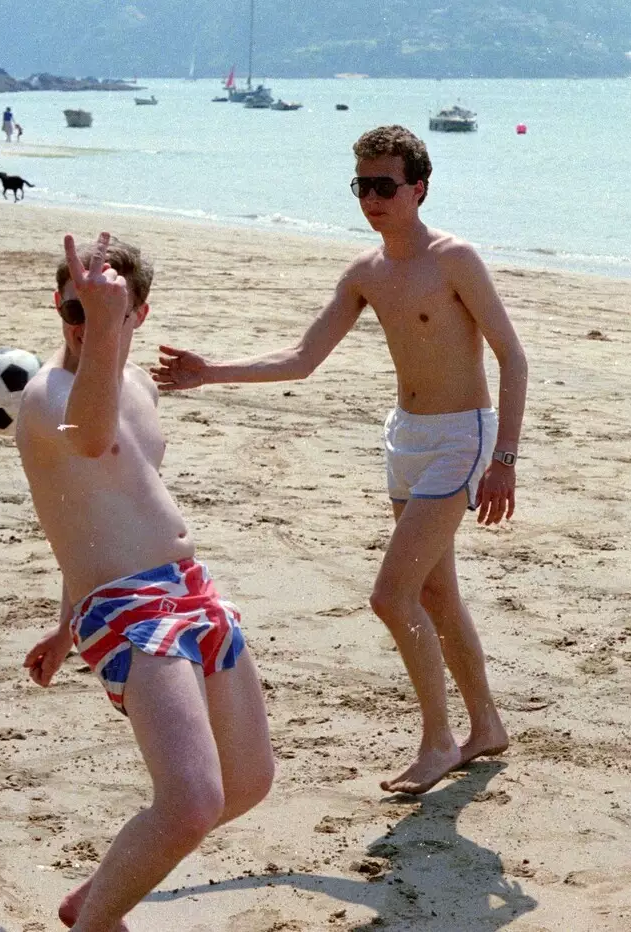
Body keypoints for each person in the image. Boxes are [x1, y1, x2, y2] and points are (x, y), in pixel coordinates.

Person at [154, 125, 526, 796]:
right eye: (362, 186)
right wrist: (210, 373)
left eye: (385, 186)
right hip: (405, 437)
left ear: (418, 188)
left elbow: (513, 355)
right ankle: (487, 726)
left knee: (392, 596)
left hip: (463, 437)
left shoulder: (454, 259)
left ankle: (440, 741)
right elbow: (302, 359)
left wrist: (505, 458)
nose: (372, 199)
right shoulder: (365, 273)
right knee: (437, 593)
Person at [17, 232, 272, 932]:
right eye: (75, 305)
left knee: (246, 784)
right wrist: (101, 330)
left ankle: (95, 896)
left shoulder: (137, 384)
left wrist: (64, 623)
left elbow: (96, 506)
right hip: (128, 609)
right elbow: (91, 439)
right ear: (59, 301)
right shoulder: (47, 394)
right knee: (190, 801)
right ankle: (97, 925)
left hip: (191, 587)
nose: (84, 319)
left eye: (107, 307)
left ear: (141, 314)